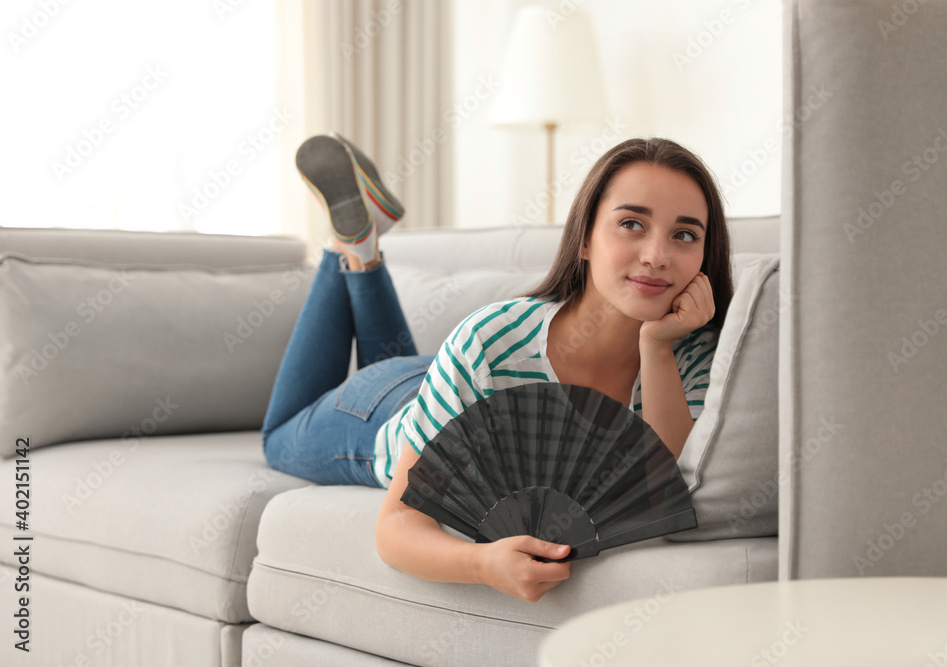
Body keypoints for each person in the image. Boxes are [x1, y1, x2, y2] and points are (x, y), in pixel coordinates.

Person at [262, 134, 734, 602]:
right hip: (385, 414)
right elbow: (396, 528)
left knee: (401, 362)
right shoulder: (490, 340)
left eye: (685, 235)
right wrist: (483, 564)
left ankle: (364, 244)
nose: (657, 255)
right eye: (632, 224)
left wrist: (654, 345)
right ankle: (346, 247)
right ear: (585, 239)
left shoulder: (693, 352)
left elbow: (666, 487)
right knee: (279, 436)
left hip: (448, 380)